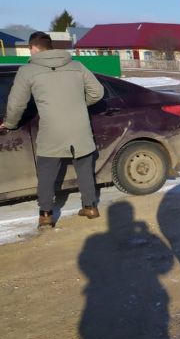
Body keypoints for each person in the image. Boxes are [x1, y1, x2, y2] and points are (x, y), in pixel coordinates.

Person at [0, 31, 104, 228]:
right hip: (79, 127)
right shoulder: (76, 65)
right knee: (84, 167)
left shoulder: (27, 71)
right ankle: (90, 207)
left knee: (47, 172)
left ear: (33, 48)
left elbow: (16, 105)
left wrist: (10, 124)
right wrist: (79, 104)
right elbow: (97, 92)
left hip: (51, 130)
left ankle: (46, 215)